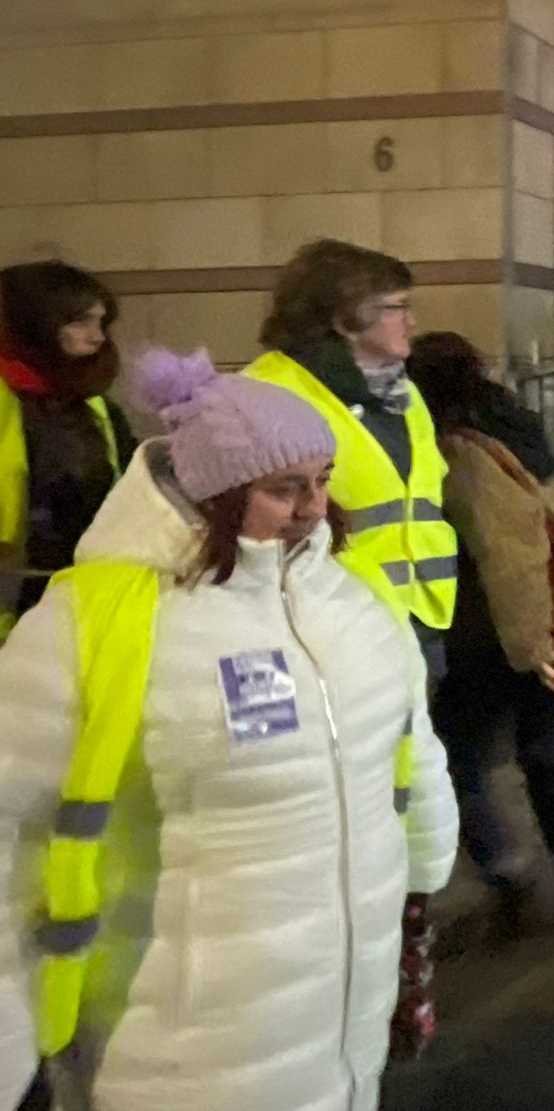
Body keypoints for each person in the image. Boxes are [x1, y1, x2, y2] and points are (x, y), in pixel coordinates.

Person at [0, 350, 457, 1111]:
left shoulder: (354, 600)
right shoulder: (91, 626)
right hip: (180, 1053)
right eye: (284, 488)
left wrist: (422, 871)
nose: (313, 507)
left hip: (343, 1027)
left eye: (322, 479)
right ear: (214, 493)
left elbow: (410, 743)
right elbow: (9, 826)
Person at [408, 332, 554, 942]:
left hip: (497, 637)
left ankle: (510, 874)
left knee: (455, 760)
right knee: (544, 757)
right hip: (532, 629)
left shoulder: (461, 450)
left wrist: (530, 647)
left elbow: (507, 556)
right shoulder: (518, 430)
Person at [244, 240, 460, 681]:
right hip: (328, 620)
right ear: (345, 317)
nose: (412, 321)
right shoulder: (270, 392)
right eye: (397, 307)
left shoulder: (404, 393)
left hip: (417, 617)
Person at [0, 263, 135, 628]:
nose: (97, 337)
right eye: (80, 322)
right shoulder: (10, 400)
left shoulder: (97, 406)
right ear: (36, 324)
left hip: (81, 593)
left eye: (101, 323)